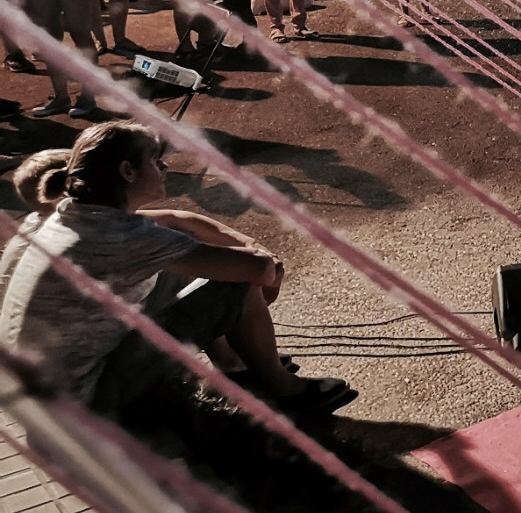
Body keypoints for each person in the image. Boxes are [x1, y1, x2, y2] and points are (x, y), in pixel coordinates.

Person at [0, 122, 355, 416]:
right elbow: (257, 270)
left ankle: (237, 365)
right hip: (85, 401)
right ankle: (286, 390)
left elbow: (178, 224)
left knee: (181, 266)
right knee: (233, 283)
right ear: (127, 171)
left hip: (41, 396)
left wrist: (252, 259)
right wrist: (263, 271)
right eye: (156, 161)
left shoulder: (71, 216)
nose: (166, 168)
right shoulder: (122, 236)